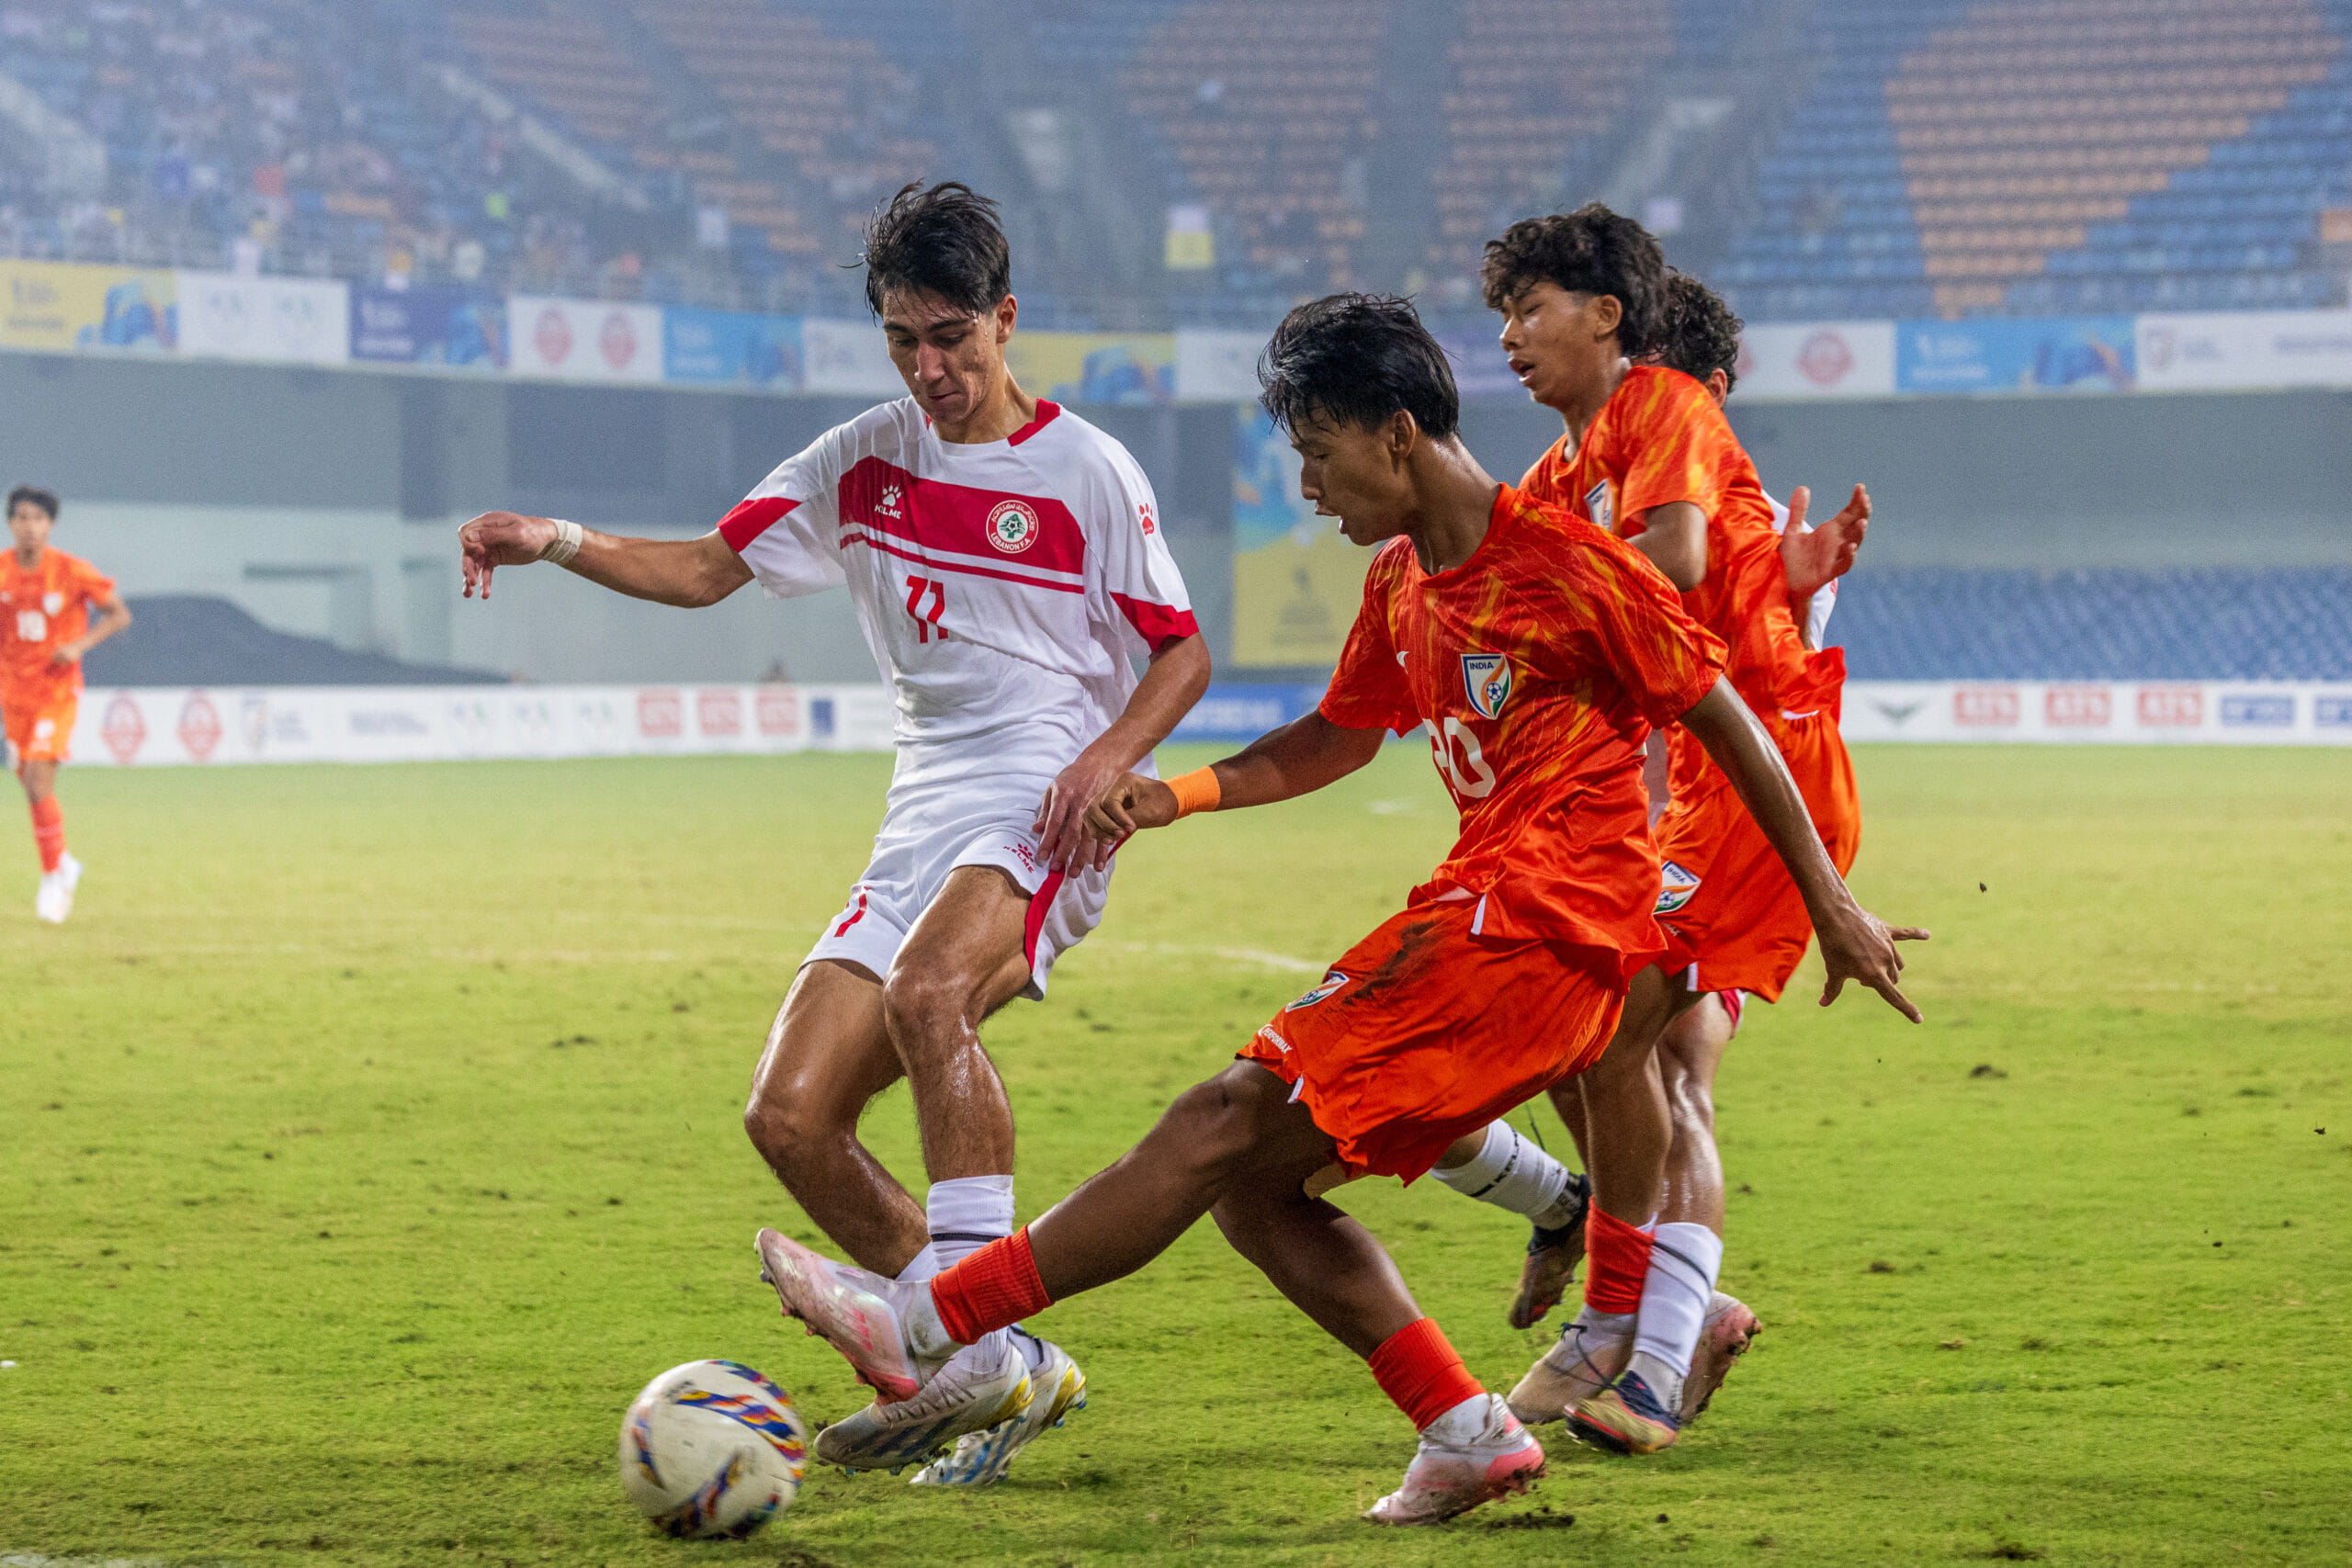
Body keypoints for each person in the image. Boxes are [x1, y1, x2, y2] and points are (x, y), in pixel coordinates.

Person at [752, 294, 1923, 1527]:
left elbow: (1721, 713)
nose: (1307, 488)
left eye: (1318, 453)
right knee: (1254, 1190)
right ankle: (1465, 1430)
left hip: (1537, 933)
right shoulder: (1405, 581)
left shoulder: (1568, 565)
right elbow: (1336, 736)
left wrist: (1830, 902)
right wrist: (1177, 793)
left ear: (1397, 433)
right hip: (1487, 924)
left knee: (1218, 1119)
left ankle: (927, 1319)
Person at [456, 183, 1210, 1483]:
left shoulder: (1088, 470)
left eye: (951, 338)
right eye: (903, 341)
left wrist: (1107, 756)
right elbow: (706, 569)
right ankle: (997, 1359)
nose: (930, 369)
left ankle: (961, 1337)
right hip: (924, 805)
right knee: (791, 1114)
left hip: (1044, 792)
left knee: (930, 995)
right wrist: (554, 538)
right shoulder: (862, 459)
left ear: (1005, 319)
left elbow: (1180, 653)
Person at [1430, 208, 1881, 1459]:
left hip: (1757, 778)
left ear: (1608, 319)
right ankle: (1641, 1307)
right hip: (1685, 789)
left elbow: (1670, 565)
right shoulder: (1568, 467)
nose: (1510, 336)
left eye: (1529, 309)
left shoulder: (1662, 411)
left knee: (1625, 1036)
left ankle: (1639, 1345)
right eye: (1503, 314)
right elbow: (1514, 559)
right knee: (1602, 1036)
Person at [1, 485, 131, 923]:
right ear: (10, 523)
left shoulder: (71, 570)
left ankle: (54, 877)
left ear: (50, 525)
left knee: (39, 779)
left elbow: (119, 614)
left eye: (38, 518)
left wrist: (79, 645)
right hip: (14, 694)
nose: (29, 526)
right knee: (31, 784)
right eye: (21, 517)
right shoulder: (2, 572)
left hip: (56, 691)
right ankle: (63, 862)